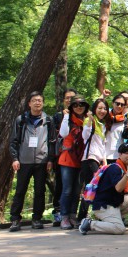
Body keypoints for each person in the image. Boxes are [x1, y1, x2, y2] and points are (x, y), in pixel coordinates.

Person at [8, 91, 56, 232]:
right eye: (34, 100)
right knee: (20, 190)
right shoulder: (21, 120)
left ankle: (37, 218)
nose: (37, 103)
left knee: (40, 191)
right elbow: (13, 141)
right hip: (24, 161)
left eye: (39, 100)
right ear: (29, 103)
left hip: (42, 161)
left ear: (43, 103)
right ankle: (15, 219)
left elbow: (52, 141)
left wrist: (50, 159)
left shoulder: (48, 120)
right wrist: (15, 159)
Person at [79, 143, 128, 236]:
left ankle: (110, 220)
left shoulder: (127, 168)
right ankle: (90, 223)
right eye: (126, 153)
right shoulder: (115, 168)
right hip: (104, 205)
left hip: (115, 203)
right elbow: (118, 188)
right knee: (119, 229)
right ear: (119, 154)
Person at [77, 98, 113, 222]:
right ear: (94, 109)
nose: (102, 111)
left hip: (97, 160)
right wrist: (89, 121)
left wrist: (104, 161)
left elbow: (101, 145)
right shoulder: (90, 120)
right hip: (89, 159)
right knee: (90, 188)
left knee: (93, 188)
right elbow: (85, 136)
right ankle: (82, 217)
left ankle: (87, 216)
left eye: (105, 108)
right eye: (100, 108)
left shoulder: (102, 125)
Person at [57, 94, 89, 230]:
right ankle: (64, 216)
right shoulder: (68, 119)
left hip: (81, 158)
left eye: (81, 105)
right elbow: (63, 134)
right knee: (67, 189)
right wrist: (66, 117)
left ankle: (72, 215)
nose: (78, 107)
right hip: (67, 159)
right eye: (75, 105)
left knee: (77, 190)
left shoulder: (87, 119)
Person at [51, 88, 77, 227]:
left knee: (75, 188)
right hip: (62, 156)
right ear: (63, 100)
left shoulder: (81, 116)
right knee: (62, 186)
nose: (69, 100)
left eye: (72, 98)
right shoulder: (58, 117)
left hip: (77, 156)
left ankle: (72, 214)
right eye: (67, 98)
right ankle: (60, 213)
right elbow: (56, 136)